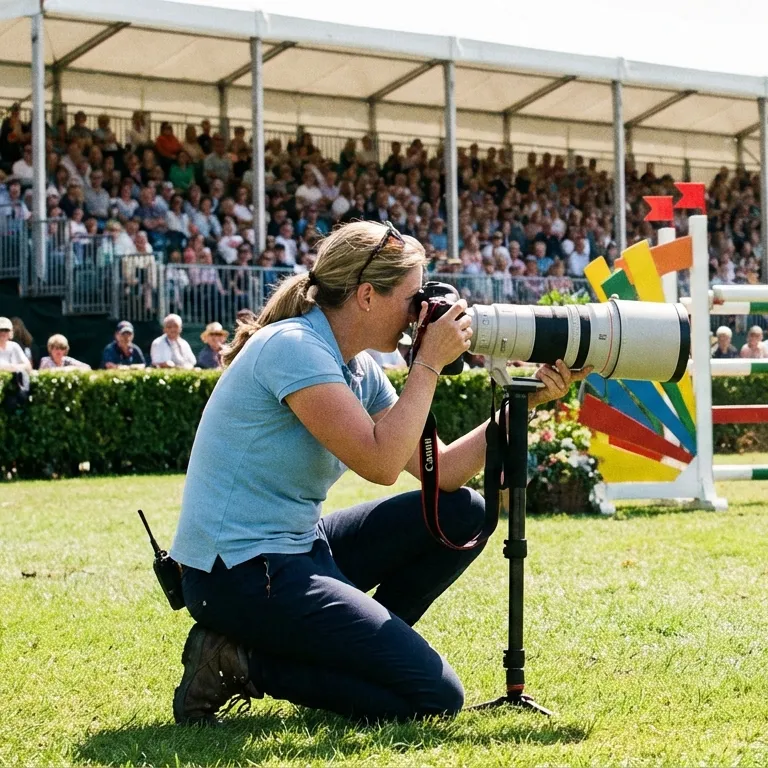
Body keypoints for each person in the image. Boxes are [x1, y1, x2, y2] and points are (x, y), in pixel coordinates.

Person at [167, 220, 590, 725]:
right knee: (434, 699)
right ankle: (239, 661)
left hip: (296, 547)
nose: (421, 315)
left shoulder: (356, 366)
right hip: (235, 572)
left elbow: (446, 471)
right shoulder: (294, 348)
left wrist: (526, 402)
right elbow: (381, 463)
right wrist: (427, 364)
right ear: (367, 296)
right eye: (414, 299)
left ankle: (358, 652)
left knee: (462, 512)